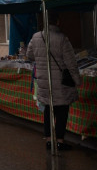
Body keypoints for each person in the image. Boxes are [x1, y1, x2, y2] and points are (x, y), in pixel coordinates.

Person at [26, 13, 80, 151]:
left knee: (49, 110)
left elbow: (29, 55)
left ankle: (49, 141)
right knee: (62, 111)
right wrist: (77, 80)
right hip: (61, 82)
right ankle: (60, 141)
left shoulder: (35, 37)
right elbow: (71, 62)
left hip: (44, 80)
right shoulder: (62, 39)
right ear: (57, 22)